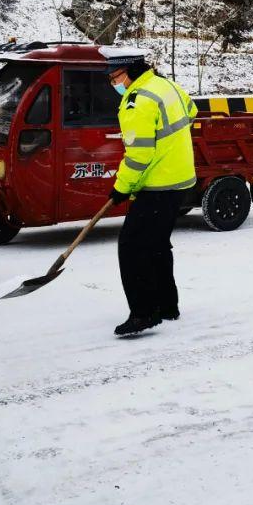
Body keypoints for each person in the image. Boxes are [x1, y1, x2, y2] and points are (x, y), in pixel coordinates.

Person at [107, 57, 198, 336]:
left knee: (132, 246)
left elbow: (139, 154)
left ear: (129, 72)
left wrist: (122, 187)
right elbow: (191, 112)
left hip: (157, 184)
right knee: (157, 243)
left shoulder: (138, 101)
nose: (112, 82)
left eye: (115, 76)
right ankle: (167, 305)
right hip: (181, 179)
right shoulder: (166, 85)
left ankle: (144, 313)